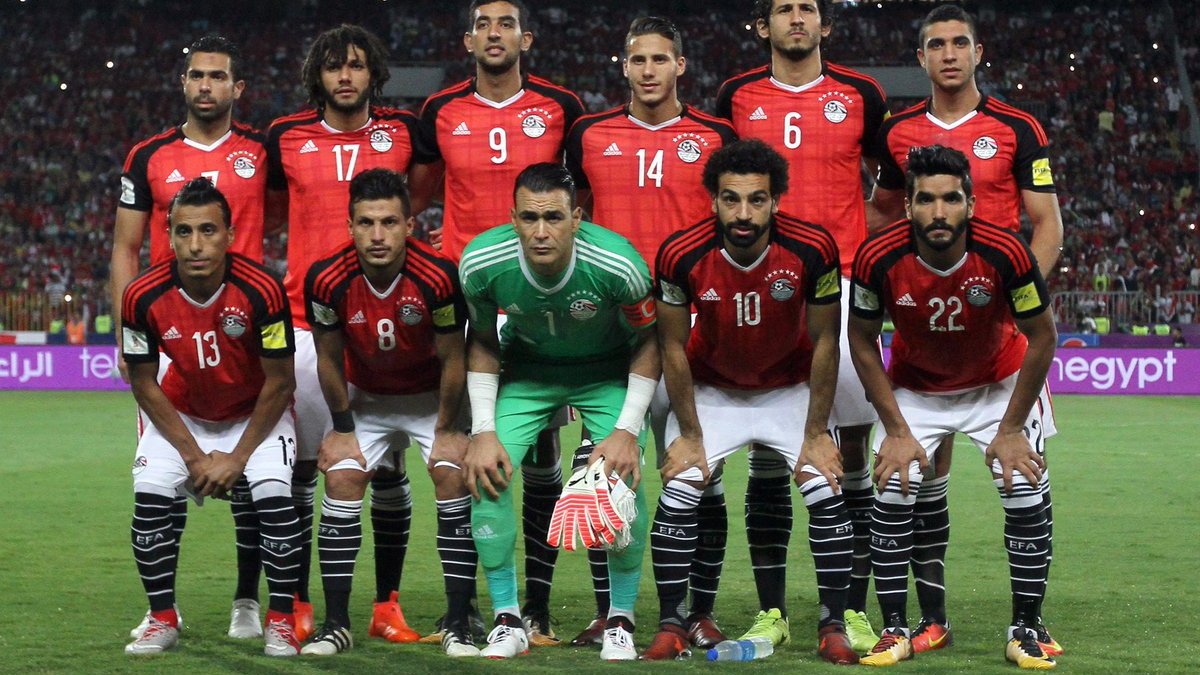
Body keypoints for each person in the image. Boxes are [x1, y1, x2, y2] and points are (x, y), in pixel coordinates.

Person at [868, 5, 1065, 655]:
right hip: (924, 333)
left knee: (1020, 475)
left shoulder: (1017, 127)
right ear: (921, 58)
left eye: (960, 43)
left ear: (979, 52)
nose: (949, 54)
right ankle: (928, 618)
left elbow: (1047, 224)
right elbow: (881, 217)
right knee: (919, 480)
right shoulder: (896, 133)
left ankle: (1028, 620)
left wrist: (1013, 297)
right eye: (936, 45)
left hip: (997, 321)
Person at [715, 0, 888, 652]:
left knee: (854, 450)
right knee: (768, 450)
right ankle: (771, 611)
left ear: (824, 24)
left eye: (807, 8)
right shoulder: (736, 95)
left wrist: (858, 246)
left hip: (842, 288)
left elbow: (890, 188)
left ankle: (851, 609)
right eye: (784, 9)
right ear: (763, 26)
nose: (796, 18)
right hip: (765, 287)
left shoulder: (861, 95)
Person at [642, 139, 857, 664]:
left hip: (789, 391)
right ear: (713, 200)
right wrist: (690, 434)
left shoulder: (813, 249)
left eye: (757, 199)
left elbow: (826, 342)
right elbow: (672, 346)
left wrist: (816, 433)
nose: (743, 213)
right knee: (680, 490)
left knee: (826, 490)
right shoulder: (680, 253)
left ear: (775, 200)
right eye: (731, 199)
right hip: (712, 391)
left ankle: (832, 626)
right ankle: (672, 624)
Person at [413, 0, 585, 644]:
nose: (494, 33)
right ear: (468, 40)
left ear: (526, 38)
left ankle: (535, 606)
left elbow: (579, 198)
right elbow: (417, 195)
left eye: (506, 23)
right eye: (484, 23)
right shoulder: (439, 110)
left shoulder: (560, 107)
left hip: (538, 303)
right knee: (465, 452)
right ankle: (464, 606)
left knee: (540, 455)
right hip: (468, 304)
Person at [563, 15, 737, 649]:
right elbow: (576, 218)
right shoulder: (588, 134)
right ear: (624, 65)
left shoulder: (716, 136)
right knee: (604, 472)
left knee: (701, 473)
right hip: (616, 334)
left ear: (680, 66)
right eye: (638, 59)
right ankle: (611, 612)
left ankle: (699, 610)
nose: (648, 70)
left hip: (694, 331)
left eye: (660, 59)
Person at [849, 145, 1057, 670]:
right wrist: (896, 430)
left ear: (971, 204)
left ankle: (1026, 626)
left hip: (996, 383)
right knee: (893, 486)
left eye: (951, 199)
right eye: (925, 200)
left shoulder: (1007, 252)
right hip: (918, 388)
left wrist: (1011, 428)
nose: (938, 212)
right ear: (907, 206)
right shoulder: (878, 256)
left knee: (1023, 483)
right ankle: (895, 629)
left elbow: (1043, 336)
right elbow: (861, 341)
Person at [458, 163, 658, 661]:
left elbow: (649, 341)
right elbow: (481, 340)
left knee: (621, 480)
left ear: (577, 218)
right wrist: (482, 431)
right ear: (513, 218)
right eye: (529, 218)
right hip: (527, 373)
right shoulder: (482, 261)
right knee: (487, 474)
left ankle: (620, 620)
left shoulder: (618, 263)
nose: (540, 231)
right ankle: (508, 620)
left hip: (607, 371)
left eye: (553, 217)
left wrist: (627, 429)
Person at [265, 24, 424, 645]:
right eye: (334, 66)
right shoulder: (285, 136)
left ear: (372, 73)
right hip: (307, 323)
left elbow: (419, 199)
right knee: (308, 469)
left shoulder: (404, 132)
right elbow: (271, 209)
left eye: (356, 65)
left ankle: (387, 605)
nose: (346, 76)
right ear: (319, 76)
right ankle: (301, 603)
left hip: (384, 323)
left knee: (389, 468)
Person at [113, 34, 268, 642]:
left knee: (254, 482)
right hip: (170, 334)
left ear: (237, 88)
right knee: (165, 478)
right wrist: (127, 331)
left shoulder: (261, 151)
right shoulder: (148, 155)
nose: (206, 85)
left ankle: (248, 602)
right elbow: (125, 246)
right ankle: (163, 610)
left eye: (218, 76)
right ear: (184, 83)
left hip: (245, 332)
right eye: (197, 75)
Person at [120, 178, 301, 657]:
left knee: (275, 500)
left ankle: (281, 621)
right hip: (185, 415)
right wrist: (195, 457)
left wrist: (237, 458)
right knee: (149, 497)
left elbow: (281, 382)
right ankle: (162, 618)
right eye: (184, 232)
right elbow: (143, 382)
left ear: (229, 234)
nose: (196, 244)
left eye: (208, 230)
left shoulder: (263, 290)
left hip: (254, 415)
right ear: (169, 235)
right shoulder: (141, 295)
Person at [301, 169, 477, 657]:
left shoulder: (438, 275)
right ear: (350, 226)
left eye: (389, 222)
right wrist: (342, 428)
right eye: (366, 223)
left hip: (430, 397)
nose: (377, 235)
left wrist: (448, 428)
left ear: (409, 226)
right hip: (369, 398)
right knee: (341, 476)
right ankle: (336, 624)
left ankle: (458, 623)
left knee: (451, 473)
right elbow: (328, 359)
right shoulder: (326, 279)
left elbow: (454, 358)